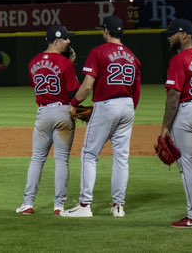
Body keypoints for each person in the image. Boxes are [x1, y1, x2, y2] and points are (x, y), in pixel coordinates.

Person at [60, 15, 141, 218]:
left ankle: (85, 205)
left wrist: (73, 103)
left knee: (89, 154)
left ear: (106, 31)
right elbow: (136, 91)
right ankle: (118, 206)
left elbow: (87, 86)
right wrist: (127, 111)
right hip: (128, 106)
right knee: (122, 158)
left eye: (102, 30)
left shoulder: (98, 52)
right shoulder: (133, 56)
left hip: (107, 105)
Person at [16, 25, 80, 216]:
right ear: (57, 40)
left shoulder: (32, 63)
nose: (69, 42)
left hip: (43, 113)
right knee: (61, 160)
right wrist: (71, 67)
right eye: (66, 39)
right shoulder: (66, 63)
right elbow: (75, 93)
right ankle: (59, 206)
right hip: (63, 112)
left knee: (37, 159)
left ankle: (28, 204)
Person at [161, 18, 192, 229]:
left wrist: (165, 127)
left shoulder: (179, 59)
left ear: (184, 35)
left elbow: (174, 95)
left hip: (186, 111)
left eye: (172, 34)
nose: (169, 37)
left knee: (187, 164)